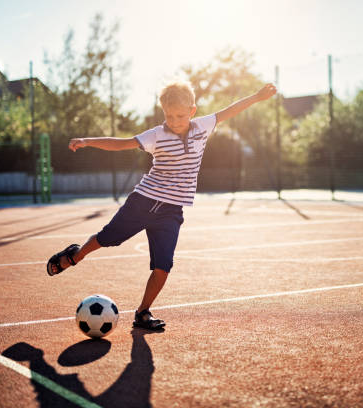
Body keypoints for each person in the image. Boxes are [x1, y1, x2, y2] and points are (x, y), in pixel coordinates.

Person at [47, 81, 277, 330]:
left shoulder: (203, 126)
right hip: (144, 201)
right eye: (169, 115)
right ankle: (75, 255)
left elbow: (230, 110)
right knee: (107, 238)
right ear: (163, 113)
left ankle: (142, 312)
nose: (174, 121)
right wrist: (88, 140)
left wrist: (256, 96)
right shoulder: (157, 135)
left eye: (180, 115)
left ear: (192, 111)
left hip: (172, 211)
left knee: (163, 267)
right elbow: (122, 143)